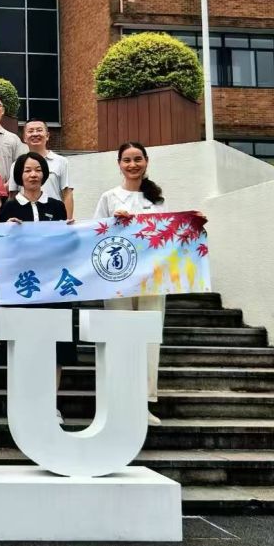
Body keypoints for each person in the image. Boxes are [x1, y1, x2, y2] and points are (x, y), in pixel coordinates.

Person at [93, 142, 171, 418]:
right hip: (118, 278)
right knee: (119, 336)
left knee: (148, 339)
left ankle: (143, 403)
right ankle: (120, 401)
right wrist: (114, 223)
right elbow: (95, 234)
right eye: (127, 160)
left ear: (146, 161)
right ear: (119, 164)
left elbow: (167, 234)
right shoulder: (109, 197)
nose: (132, 165)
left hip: (151, 278)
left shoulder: (157, 200)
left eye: (138, 159)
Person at [0, 150, 73, 422]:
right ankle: (22, 401)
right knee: (22, 344)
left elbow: (65, 245)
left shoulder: (57, 206)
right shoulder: (8, 208)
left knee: (55, 346)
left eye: (38, 170)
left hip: (52, 287)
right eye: (27, 170)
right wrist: (6, 230)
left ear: (45, 174)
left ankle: (51, 404)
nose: (33, 175)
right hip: (20, 289)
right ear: (19, 175)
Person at [21, 120, 73, 217]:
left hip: (54, 217)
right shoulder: (17, 164)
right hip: (25, 219)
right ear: (24, 137)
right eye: (31, 131)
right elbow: (13, 195)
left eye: (39, 130)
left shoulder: (61, 161)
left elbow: (67, 194)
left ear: (47, 135)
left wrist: (67, 220)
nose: (35, 134)